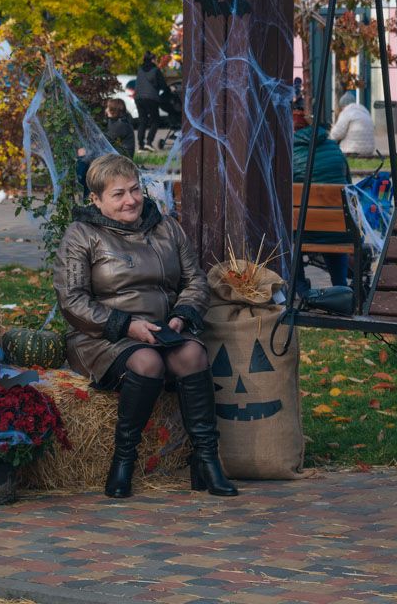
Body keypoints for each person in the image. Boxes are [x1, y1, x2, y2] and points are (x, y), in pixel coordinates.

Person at [54, 155, 237, 499]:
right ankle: (123, 461)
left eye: (135, 189)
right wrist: (126, 326)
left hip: (164, 328)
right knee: (147, 363)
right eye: (118, 194)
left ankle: (207, 461)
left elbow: (195, 280)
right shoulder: (82, 235)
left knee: (193, 354)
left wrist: (182, 314)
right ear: (96, 200)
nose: (131, 200)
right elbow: (73, 301)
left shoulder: (166, 227)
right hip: (103, 335)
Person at [291, 116, 353, 288]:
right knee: (334, 229)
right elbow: (349, 187)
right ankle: (339, 285)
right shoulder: (334, 148)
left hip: (302, 232)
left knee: (290, 238)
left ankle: (301, 288)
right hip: (338, 229)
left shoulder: (289, 153)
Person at [134, 52, 169, 152]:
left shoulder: (140, 69)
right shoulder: (155, 70)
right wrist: (169, 89)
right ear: (152, 59)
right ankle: (149, 143)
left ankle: (141, 146)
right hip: (151, 98)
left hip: (138, 98)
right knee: (155, 121)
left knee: (142, 121)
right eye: (156, 59)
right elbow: (163, 85)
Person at [330, 91, 375, 157]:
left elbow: (336, 135)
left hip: (352, 150)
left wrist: (332, 130)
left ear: (343, 105)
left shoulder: (346, 112)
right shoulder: (365, 111)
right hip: (369, 150)